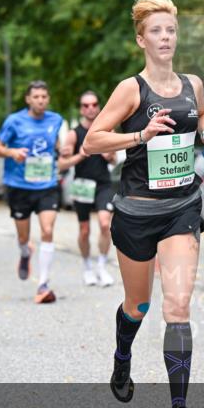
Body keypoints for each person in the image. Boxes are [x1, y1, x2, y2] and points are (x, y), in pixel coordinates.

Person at [83, 0, 204, 408]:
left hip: (182, 207)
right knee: (137, 305)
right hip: (136, 211)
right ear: (141, 40)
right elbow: (92, 141)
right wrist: (140, 135)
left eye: (171, 30)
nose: (166, 37)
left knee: (177, 306)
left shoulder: (192, 84)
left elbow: (203, 112)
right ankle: (122, 356)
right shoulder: (131, 89)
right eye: (157, 31)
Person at [0, 81, 64, 304]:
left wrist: (63, 150)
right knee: (23, 237)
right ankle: (25, 252)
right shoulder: (14, 121)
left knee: (47, 230)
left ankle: (43, 283)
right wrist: (12, 152)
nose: (40, 100)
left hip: (47, 185)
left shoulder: (56, 120)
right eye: (36, 97)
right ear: (28, 99)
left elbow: (57, 145)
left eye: (44, 96)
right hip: (19, 186)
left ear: (48, 99)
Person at [59, 90, 117, 286]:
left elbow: (114, 160)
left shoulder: (107, 131)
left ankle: (101, 266)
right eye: (86, 105)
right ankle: (87, 267)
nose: (90, 108)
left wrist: (108, 155)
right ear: (81, 109)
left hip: (102, 184)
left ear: (99, 107)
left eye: (94, 104)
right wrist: (80, 155)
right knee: (84, 230)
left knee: (104, 224)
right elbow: (61, 165)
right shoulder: (73, 134)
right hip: (82, 185)